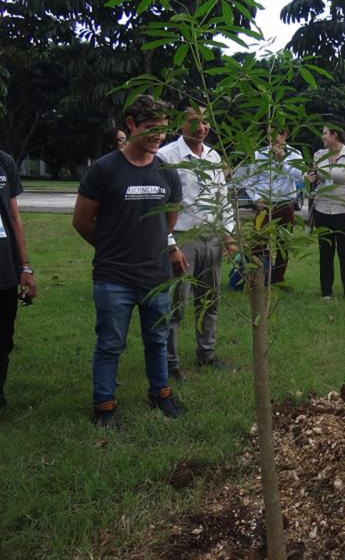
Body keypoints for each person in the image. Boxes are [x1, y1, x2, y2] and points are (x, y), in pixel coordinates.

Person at [72, 94, 183, 426]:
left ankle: (160, 394)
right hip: (113, 277)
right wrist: (111, 248)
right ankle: (104, 406)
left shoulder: (167, 172)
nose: (158, 136)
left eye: (163, 129)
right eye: (150, 128)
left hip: (156, 275)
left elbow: (169, 220)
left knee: (158, 339)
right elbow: (82, 221)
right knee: (110, 344)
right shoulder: (104, 169)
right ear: (130, 124)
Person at [158, 101, 236, 380]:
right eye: (195, 122)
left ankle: (207, 353)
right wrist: (171, 245)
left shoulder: (214, 157)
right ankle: (170, 363)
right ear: (181, 124)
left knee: (209, 299)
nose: (202, 128)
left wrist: (228, 235)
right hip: (182, 238)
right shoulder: (167, 157)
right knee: (177, 303)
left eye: (206, 122)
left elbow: (222, 198)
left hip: (211, 237)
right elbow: (161, 206)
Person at [0, 149, 37, 414]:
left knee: (3, 341)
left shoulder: (4, 161)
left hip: (4, 267)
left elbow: (14, 217)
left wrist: (24, 266)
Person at [310, 117, 345, 299]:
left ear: (335, 135)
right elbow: (316, 177)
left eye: (325, 133)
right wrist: (310, 178)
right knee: (325, 251)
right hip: (322, 208)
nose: (322, 136)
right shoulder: (319, 155)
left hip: (344, 210)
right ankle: (326, 291)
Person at [245, 129, 304, 285]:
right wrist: (257, 199)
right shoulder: (259, 154)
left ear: (284, 135)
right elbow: (249, 181)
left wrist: (282, 161)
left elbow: (300, 176)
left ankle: (277, 280)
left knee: (283, 245)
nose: (271, 138)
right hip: (265, 205)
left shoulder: (294, 154)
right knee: (259, 242)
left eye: (275, 134)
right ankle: (257, 278)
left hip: (286, 204)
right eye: (268, 134)